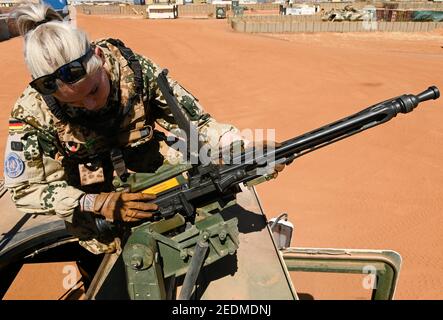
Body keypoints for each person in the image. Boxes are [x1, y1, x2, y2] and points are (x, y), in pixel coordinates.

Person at [4, 3, 282, 255]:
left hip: (158, 179)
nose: (89, 105)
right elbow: (26, 190)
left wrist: (239, 146)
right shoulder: (32, 111)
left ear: (99, 57)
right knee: (106, 266)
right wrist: (94, 203)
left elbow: (198, 124)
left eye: (93, 90)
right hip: (95, 215)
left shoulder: (135, 70)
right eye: (73, 103)